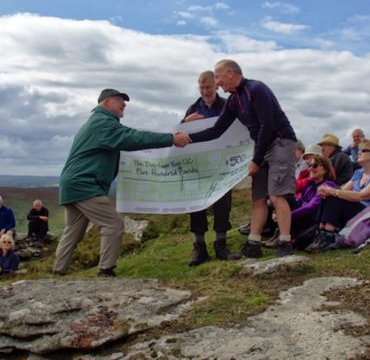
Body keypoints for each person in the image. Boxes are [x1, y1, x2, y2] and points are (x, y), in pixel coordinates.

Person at [53, 89, 191, 277]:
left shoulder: (97, 123)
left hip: (73, 183)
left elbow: (126, 140)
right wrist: (171, 139)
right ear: (106, 102)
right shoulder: (103, 123)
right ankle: (106, 271)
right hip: (85, 184)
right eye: (120, 100)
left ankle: (58, 271)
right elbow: (132, 138)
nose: (124, 104)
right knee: (114, 224)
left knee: (74, 232)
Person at [188, 59, 297, 257]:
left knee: (277, 195)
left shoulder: (256, 89)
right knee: (258, 197)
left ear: (230, 73)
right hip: (262, 147)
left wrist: (256, 160)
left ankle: (285, 242)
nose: (218, 82)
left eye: (219, 77)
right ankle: (253, 244)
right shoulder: (232, 101)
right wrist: (187, 137)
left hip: (281, 142)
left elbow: (267, 125)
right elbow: (216, 130)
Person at [182, 71, 235, 266]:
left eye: (209, 88)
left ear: (216, 87)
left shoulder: (227, 105)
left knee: (223, 204)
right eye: (202, 88)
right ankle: (199, 247)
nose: (205, 92)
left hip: (222, 164)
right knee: (197, 204)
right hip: (199, 165)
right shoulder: (193, 108)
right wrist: (185, 123)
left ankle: (221, 245)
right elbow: (180, 135)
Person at [306, 139, 370, 252]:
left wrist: (333, 191)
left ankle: (328, 236)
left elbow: (363, 196)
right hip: (359, 212)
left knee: (334, 195)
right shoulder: (359, 173)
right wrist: (328, 192)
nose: (359, 152)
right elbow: (343, 190)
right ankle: (321, 234)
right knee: (331, 196)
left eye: (363, 150)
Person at [266, 154, 336, 249]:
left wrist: (287, 216)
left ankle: (284, 236)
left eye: (315, 165)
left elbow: (311, 207)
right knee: (285, 198)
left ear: (325, 169)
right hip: (303, 217)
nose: (311, 168)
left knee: (300, 240)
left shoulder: (327, 185)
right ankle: (280, 233)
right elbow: (300, 200)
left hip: (313, 220)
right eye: (309, 166)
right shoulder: (310, 184)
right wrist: (278, 212)